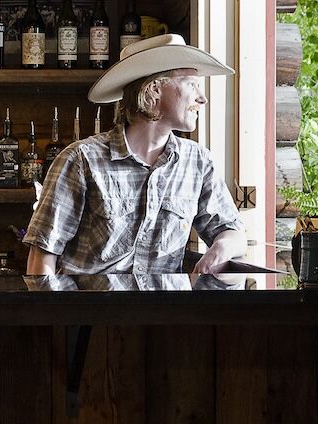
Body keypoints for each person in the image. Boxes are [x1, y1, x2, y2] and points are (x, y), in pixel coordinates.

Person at [23, 33, 247, 276]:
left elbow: (234, 233)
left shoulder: (198, 162)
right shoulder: (81, 160)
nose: (202, 98)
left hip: (162, 313)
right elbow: (42, 258)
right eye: (191, 84)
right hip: (90, 312)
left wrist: (221, 248)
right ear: (155, 90)